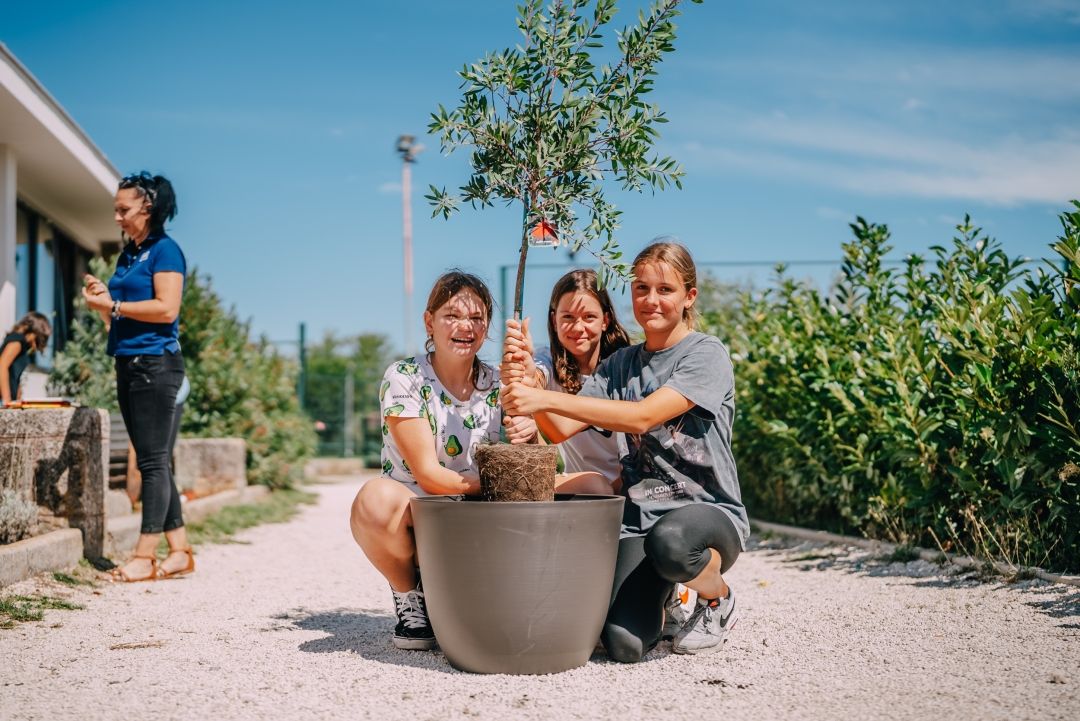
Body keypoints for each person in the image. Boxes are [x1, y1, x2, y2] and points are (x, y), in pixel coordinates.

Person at [502, 241, 748, 661]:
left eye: (664, 289)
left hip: (707, 513)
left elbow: (641, 417)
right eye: (640, 288)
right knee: (623, 644)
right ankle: (667, 595)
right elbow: (559, 429)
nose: (651, 300)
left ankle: (716, 599)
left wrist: (542, 400)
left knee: (672, 544)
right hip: (640, 521)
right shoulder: (619, 365)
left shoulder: (706, 354)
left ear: (689, 296)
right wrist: (529, 380)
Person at [349, 270, 539, 650]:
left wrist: (529, 429)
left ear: (486, 327)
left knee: (590, 485)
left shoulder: (502, 383)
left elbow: (534, 461)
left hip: (481, 516)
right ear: (429, 321)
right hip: (423, 515)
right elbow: (430, 477)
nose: (464, 326)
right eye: (452, 315)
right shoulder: (404, 378)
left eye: (476, 318)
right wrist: (503, 483)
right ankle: (409, 594)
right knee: (374, 500)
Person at [82, 171, 192, 582]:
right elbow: (119, 315)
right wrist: (102, 304)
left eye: (123, 209)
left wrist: (115, 306)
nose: (117, 217)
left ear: (148, 208)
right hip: (126, 361)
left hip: (156, 365)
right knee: (156, 460)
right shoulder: (130, 253)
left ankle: (145, 555)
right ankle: (179, 550)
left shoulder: (166, 251)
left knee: (150, 462)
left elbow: (166, 309)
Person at [501, 268, 630, 491]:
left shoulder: (625, 366)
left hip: (634, 485)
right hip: (586, 488)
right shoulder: (547, 360)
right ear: (554, 320)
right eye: (568, 317)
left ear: (605, 320)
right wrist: (525, 370)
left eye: (589, 317)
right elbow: (536, 375)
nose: (578, 328)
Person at [0, 312, 51, 406]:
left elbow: (15, 374)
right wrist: (6, 399)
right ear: (34, 333)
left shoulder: (22, 346)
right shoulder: (17, 342)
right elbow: (2, 366)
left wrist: (18, 398)